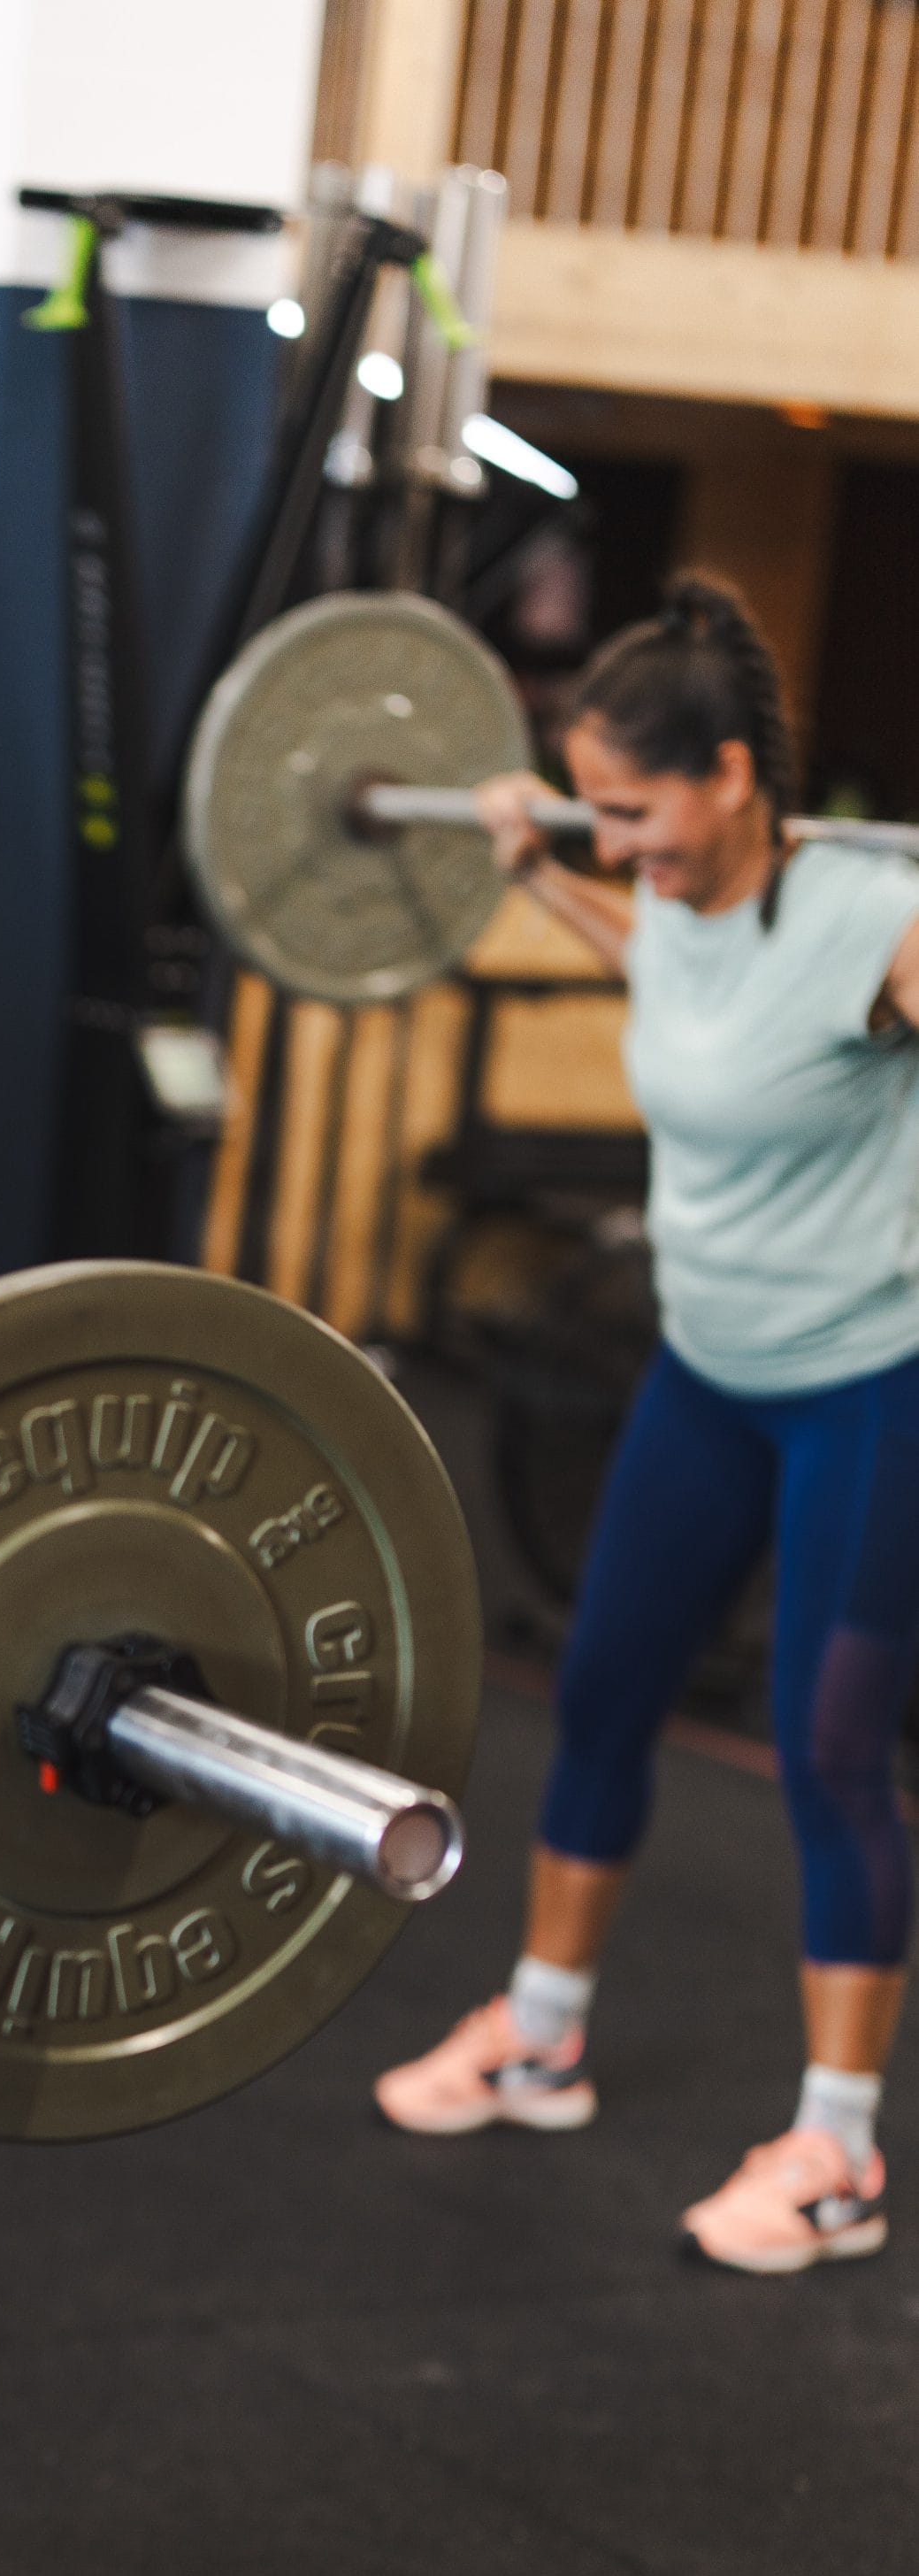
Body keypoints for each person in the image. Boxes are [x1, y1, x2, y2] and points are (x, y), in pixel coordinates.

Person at [376, 573, 919, 2274]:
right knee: (602, 1692)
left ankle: (836, 2150)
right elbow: (677, 981)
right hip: (705, 1376)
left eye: (631, 810)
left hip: (864, 1389)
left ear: (735, 775)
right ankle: (541, 2035)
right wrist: (535, 863)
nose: (617, 844)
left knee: (829, 1752)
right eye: (590, 811)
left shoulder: (873, 917)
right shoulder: (673, 900)